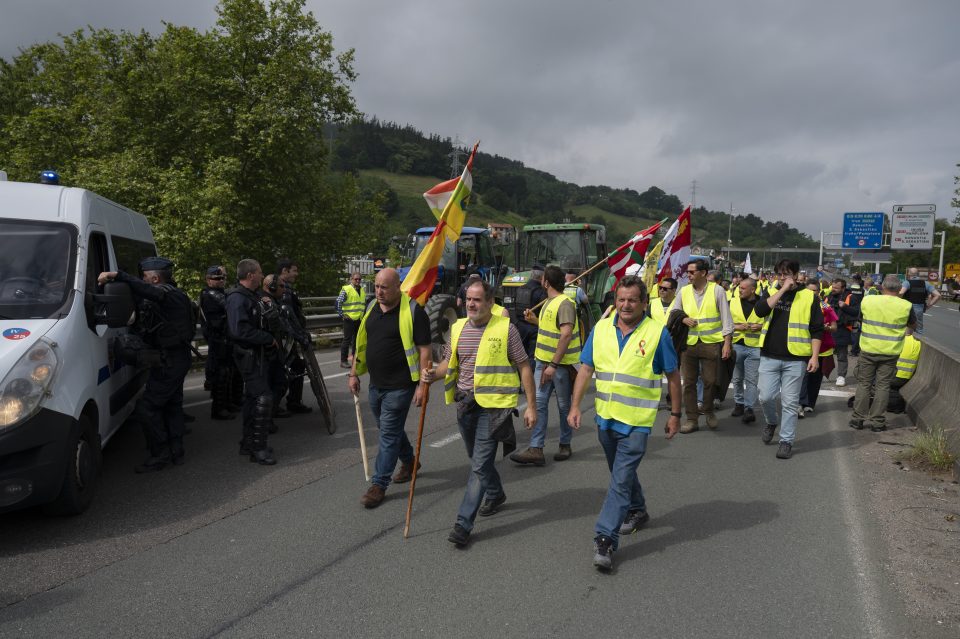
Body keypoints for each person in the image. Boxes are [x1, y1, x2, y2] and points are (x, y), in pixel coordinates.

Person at [567, 275, 682, 571]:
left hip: (636, 423)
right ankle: (638, 509)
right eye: (621, 299)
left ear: (644, 303)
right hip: (605, 419)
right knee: (621, 475)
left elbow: (672, 377)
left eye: (632, 300)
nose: (626, 305)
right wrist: (576, 405)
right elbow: (585, 368)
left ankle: (605, 538)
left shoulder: (658, 334)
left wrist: (675, 414)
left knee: (618, 481)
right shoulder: (602, 329)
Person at [422, 279, 537, 546]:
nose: (472, 304)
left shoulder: (506, 330)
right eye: (469, 299)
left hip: (494, 408)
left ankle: (463, 524)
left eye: (477, 299)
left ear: (489, 303)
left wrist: (531, 406)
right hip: (465, 405)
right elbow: (446, 365)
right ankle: (495, 493)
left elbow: (524, 368)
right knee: (477, 460)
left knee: (478, 466)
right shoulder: (458, 328)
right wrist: (431, 376)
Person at [98, 257, 195, 472]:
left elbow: (152, 293)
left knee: (147, 408)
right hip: (170, 359)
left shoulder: (168, 294)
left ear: (155, 277)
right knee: (172, 404)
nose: (143, 280)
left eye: (145, 277)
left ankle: (160, 454)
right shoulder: (173, 294)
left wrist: (118, 276)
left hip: (172, 361)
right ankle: (176, 451)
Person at [348, 268, 432, 508]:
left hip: (401, 386)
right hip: (376, 385)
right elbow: (361, 343)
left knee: (387, 434)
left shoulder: (414, 311)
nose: (379, 291)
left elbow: (425, 350)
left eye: (384, 287)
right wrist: (354, 373)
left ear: (398, 287)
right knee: (389, 430)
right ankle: (409, 462)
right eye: (376, 286)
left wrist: (422, 386)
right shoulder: (372, 307)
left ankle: (379, 484)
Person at [507, 265, 580, 466]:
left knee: (564, 406)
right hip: (543, 363)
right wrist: (536, 321)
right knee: (539, 404)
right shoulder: (550, 301)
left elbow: (565, 334)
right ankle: (536, 448)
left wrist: (554, 365)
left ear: (546, 282)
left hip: (559, 366)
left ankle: (565, 444)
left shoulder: (565, 303)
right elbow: (553, 329)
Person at [753, 259, 823, 459]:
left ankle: (786, 441)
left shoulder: (809, 297)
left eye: (786, 274)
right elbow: (759, 311)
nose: (782, 277)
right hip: (769, 355)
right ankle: (771, 421)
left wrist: (815, 357)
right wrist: (782, 289)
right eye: (779, 274)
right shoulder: (771, 290)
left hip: (796, 358)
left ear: (796, 274)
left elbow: (817, 329)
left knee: (790, 402)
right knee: (765, 396)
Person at [670, 258, 733, 432]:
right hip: (689, 344)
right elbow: (674, 311)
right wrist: (683, 318)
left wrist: (727, 343)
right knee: (689, 383)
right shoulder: (684, 291)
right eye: (687, 272)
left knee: (711, 381)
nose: (688, 275)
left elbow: (727, 319)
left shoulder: (718, 290)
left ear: (703, 273)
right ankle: (692, 419)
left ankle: (708, 410)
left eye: (692, 272)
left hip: (711, 343)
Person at [225, 259, 279, 465]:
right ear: (250, 275)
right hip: (248, 356)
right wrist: (266, 338)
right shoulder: (237, 298)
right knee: (263, 398)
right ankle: (258, 448)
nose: (262, 275)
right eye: (259, 272)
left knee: (252, 399)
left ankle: (248, 443)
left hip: (258, 356)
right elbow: (239, 331)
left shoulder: (252, 296)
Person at [851, 275, 916, 432]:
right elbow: (912, 325)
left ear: (882, 287)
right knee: (883, 386)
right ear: (899, 289)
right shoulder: (906, 305)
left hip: (868, 349)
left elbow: (860, 319)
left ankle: (857, 419)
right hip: (890, 353)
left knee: (864, 384)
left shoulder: (868, 300)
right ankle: (877, 422)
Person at [199, 265, 236, 420]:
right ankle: (218, 408)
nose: (221, 281)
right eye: (217, 278)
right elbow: (218, 319)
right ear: (208, 280)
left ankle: (226, 403)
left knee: (227, 372)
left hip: (225, 338)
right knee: (220, 373)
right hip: (217, 338)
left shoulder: (221, 293)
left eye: (222, 278)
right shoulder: (209, 295)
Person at [276, 258, 312, 414]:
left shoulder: (286, 288)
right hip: (283, 339)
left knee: (295, 366)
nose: (297, 274)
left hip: (288, 338)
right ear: (285, 271)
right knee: (283, 370)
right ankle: (277, 405)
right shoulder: (281, 289)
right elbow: (287, 318)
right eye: (294, 270)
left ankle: (292, 401)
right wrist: (300, 336)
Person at [799, 282, 838, 416]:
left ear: (819, 291)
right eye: (809, 290)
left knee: (815, 378)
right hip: (803, 347)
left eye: (814, 290)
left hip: (823, 349)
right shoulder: (799, 304)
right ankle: (800, 404)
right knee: (802, 377)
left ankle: (810, 403)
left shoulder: (826, 307)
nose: (812, 293)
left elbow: (834, 327)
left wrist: (826, 328)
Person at [729, 277, 762, 423]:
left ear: (753, 290)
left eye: (742, 288)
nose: (739, 290)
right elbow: (724, 321)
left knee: (751, 380)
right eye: (739, 288)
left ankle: (749, 408)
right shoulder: (732, 302)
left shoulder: (763, 303)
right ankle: (739, 403)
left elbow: (770, 322)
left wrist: (760, 327)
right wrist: (736, 327)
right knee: (737, 378)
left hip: (755, 346)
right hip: (737, 344)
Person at [508, 264, 547, 359]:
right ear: (542, 277)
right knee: (532, 357)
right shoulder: (542, 292)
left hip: (519, 326)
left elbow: (512, 308)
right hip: (534, 329)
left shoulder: (519, 289)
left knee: (520, 357)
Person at [828, 279, 854, 387]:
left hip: (842, 329)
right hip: (828, 329)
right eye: (833, 287)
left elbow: (856, 312)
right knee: (824, 354)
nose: (833, 289)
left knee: (842, 355)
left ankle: (841, 376)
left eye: (836, 288)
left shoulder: (850, 297)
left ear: (843, 288)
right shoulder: (829, 296)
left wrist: (845, 307)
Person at [337, 272, 366, 368]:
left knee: (357, 340)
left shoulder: (362, 290)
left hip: (359, 319)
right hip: (349, 319)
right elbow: (338, 303)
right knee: (347, 340)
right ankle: (343, 361)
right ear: (351, 279)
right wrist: (342, 314)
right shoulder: (346, 289)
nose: (358, 281)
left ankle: (355, 358)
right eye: (356, 279)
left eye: (359, 279)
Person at [899, 267, 940, 335]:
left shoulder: (907, 283)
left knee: (907, 328)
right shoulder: (926, 283)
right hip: (919, 308)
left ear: (909, 274)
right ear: (918, 274)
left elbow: (901, 293)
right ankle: (918, 343)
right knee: (919, 329)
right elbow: (938, 295)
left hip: (907, 307)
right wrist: (929, 305)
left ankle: (908, 343)